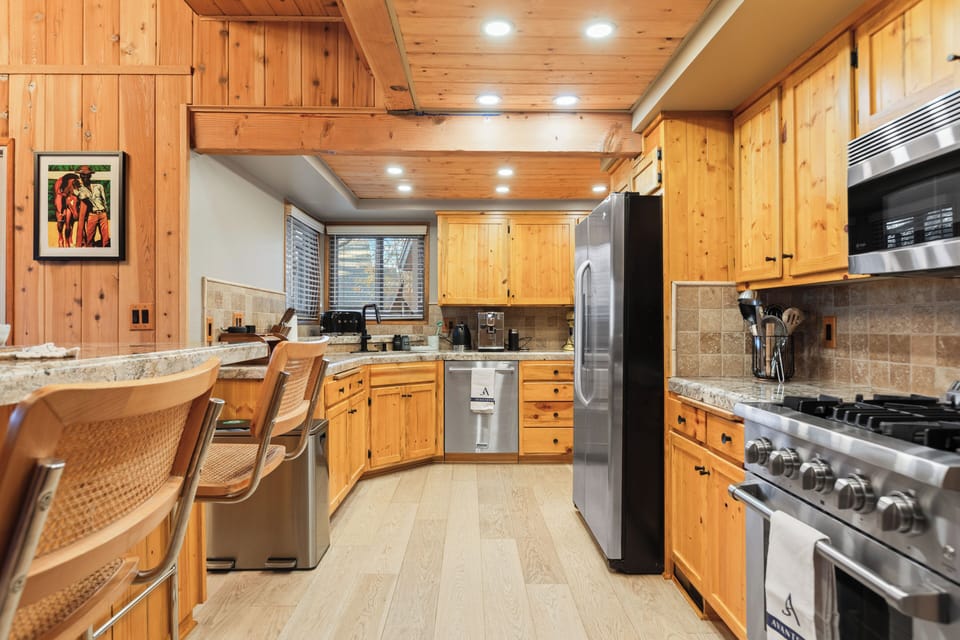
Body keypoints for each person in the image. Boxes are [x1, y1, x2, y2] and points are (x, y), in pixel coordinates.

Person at [74, 165, 110, 247]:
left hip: (103, 214)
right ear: (80, 176)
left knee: (106, 238)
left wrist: (105, 211)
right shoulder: (79, 189)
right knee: (90, 238)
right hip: (92, 215)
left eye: (87, 175)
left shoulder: (99, 186)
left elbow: (104, 200)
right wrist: (78, 188)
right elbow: (82, 197)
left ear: (90, 176)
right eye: (83, 175)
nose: (85, 177)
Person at [53, 172, 80, 247]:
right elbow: (58, 198)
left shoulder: (76, 186)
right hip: (62, 197)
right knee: (60, 220)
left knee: (69, 222)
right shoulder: (60, 185)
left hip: (69, 199)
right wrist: (60, 211)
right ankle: (60, 237)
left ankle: (69, 239)